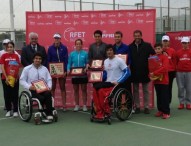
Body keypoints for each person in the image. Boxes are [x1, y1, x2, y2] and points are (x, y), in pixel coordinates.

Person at [93, 44, 131, 119]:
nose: (109, 52)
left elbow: (127, 72)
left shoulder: (119, 60)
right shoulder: (106, 61)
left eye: (110, 50)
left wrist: (119, 81)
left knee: (101, 91)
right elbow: (105, 75)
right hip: (107, 83)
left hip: (116, 84)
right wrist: (98, 76)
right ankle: (99, 112)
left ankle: (106, 111)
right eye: (107, 50)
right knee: (95, 89)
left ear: (114, 51)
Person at [20, 52, 54, 119]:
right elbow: (22, 80)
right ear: (33, 59)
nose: (38, 60)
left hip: (43, 89)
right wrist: (29, 87)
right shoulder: (27, 69)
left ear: (41, 60)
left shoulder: (45, 69)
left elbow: (49, 79)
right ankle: (43, 111)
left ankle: (49, 113)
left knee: (48, 94)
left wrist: (49, 87)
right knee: (41, 98)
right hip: (32, 90)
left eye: (39, 59)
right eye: (36, 58)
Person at [129, 30, 155, 114]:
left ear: (141, 36)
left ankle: (146, 107)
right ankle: (137, 106)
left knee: (146, 90)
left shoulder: (147, 45)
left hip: (145, 71)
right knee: (135, 91)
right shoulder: (130, 46)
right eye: (135, 35)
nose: (137, 37)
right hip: (134, 72)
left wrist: (163, 53)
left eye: (138, 35)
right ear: (134, 36)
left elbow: (154, 54)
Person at [47, 33, 68, 111]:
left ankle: (64, 105)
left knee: (63, 88)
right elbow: (48, 60)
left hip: (61, 71)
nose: (56, 40)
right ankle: (52, 105)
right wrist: (49, 71)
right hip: (53, 71)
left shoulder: (64, 48)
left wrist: (65, 70)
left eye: (58, 38)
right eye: (55, 38)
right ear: (53, 39)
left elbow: (66, 60)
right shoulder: (50, 48)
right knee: (53, 88)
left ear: (60, 39)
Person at [67, 39, 88, 112]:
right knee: (76, 90)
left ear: (82, 45)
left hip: (83, 74)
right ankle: (77, 105)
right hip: (75, 75)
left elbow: (87, 63)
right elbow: (69, 63)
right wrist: (68, 69)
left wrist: (86, 68)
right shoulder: (72, 54)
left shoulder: (85, 53)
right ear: (75, 45)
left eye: (80, 44)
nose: (78, 45)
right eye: (77, 44)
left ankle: (84, 105)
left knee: (84, 90)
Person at [150, 43, 170, 119]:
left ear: (162, 49)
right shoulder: (152, 58)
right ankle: (160, 110)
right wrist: (151, 75)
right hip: (156, 81)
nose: (157, 50)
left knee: (164, 97)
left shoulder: (165, 57)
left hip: (164, 81)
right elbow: (151, 68)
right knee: (159, 96)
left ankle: (166, 112)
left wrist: (154, 73)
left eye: (159, 48)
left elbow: (164, 68)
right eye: (156, 49)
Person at [0, 41, 20, 117]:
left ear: (13, 47)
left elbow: (17, 67)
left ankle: (15, 110)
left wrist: (15, 77)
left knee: (14, 94)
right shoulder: (3, 56)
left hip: (15, 78)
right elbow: (2, 67)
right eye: (8, 47)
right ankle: (8, 110)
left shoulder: (16, 56)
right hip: (5, 78)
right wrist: (6, 77)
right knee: (7, 94)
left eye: (11, 47)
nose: (9, 48)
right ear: (6, 48)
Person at [176, 37, 191, 110]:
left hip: (189, 72)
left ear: (188, 43)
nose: (184, 44)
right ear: (181, 43)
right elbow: (176, 62)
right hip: (179, 72)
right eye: (183, 43)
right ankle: (181, 103)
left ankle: (188, 103)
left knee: (188, 88)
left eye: (186, 43)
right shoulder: (178, 52)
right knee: (180, 87)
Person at [161, 35, 176, 104]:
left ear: (169, 42)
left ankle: (168, 103)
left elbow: (174, 61)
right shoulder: (159, 50)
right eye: (164, 41)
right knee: (162, 88)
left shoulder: (172, 51)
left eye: (166, 41)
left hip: (170, 72)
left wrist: (174, 71)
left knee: (169, 88)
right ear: (162, 42)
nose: (165, 42)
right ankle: (163, 102)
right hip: (162, 72)